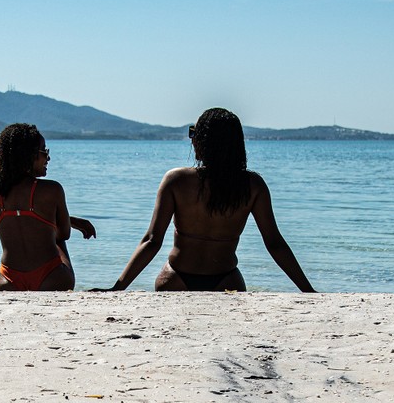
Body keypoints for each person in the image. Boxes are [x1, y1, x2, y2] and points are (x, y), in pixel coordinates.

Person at [103, 107, 315, 293]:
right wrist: (308, 291)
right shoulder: (252, 185)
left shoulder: (176, 181)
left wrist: (118, 287)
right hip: (226, 280)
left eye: (194, 133)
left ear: (204, 141)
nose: (192, 139)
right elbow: (274, 243)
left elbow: (152, 241)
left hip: (175, 278)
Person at [0, 123, 95, 291]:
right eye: (44, 151)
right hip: (52, 277)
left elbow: (22, 220)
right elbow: (64, 234)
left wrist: (72, 220)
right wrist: (70, 222)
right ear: (27, 155)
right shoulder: (52, 189)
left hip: (8, 280)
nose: (48, 158)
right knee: (57, 237)